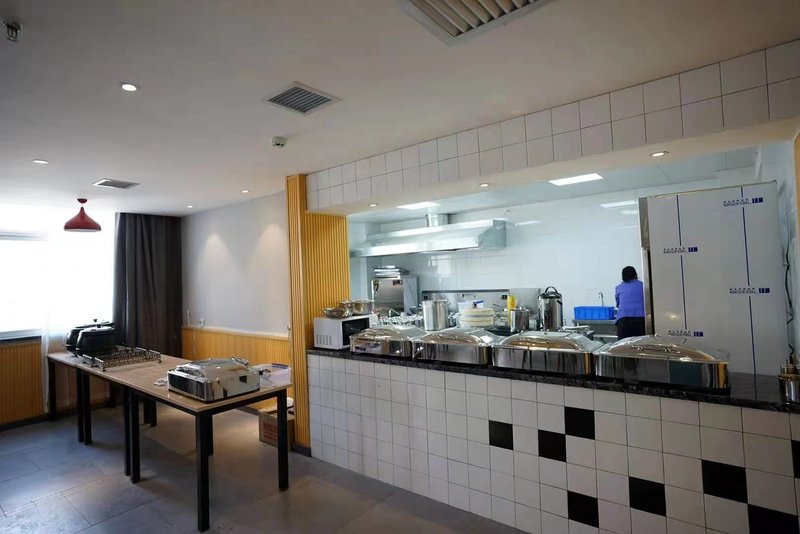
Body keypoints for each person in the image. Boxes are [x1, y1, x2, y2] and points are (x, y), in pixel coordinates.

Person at [615, 266, 645, 340]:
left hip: (623, 320)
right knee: (641, 343)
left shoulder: (619, 287)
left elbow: (618, 304)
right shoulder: (643, 285)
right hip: (641, 319)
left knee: (623, 344)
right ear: (635, 275)